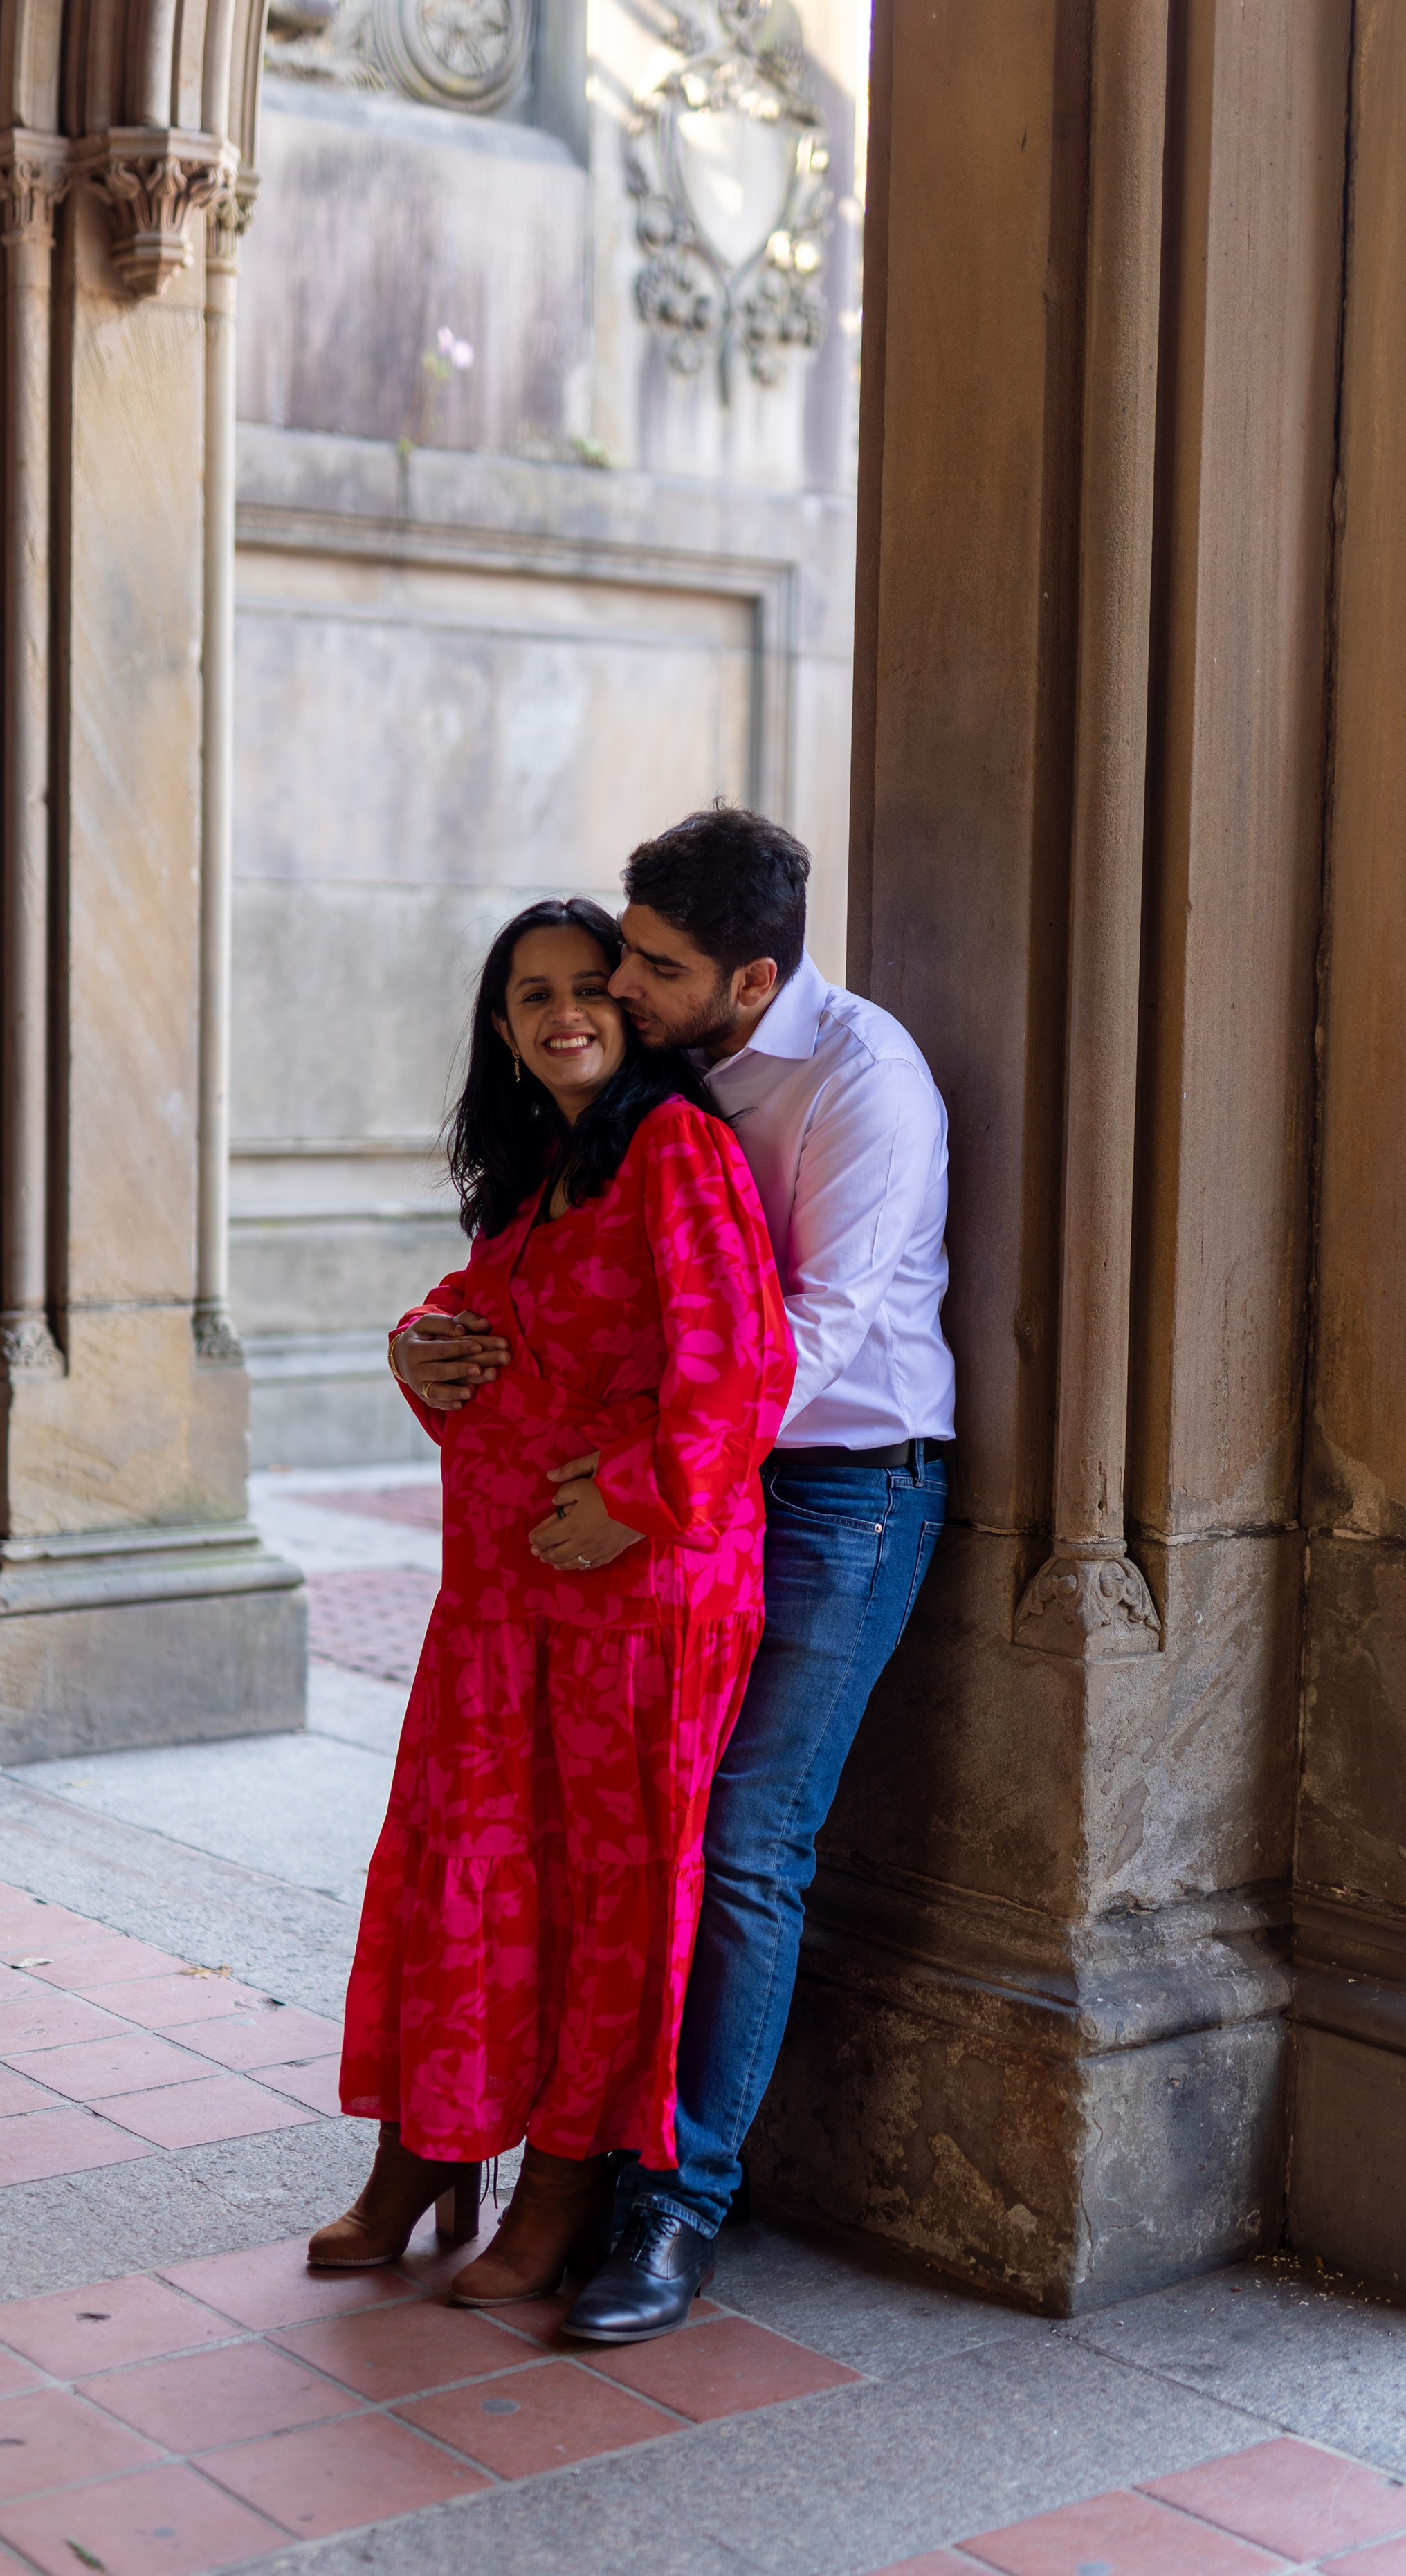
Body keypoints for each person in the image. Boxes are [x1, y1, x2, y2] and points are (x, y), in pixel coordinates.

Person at [410, 808, 955, 2342]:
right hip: (709, 1495)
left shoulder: (863, 1083)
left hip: (845, 1490)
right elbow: (555, 1278)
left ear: (753, 975)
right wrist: (428, 1347)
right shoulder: (657, 1082)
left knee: (740, 1847)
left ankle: (673, 2210)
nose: (620, 988)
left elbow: (824, 1322)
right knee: (623, 1832)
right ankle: (523, 2152)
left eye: (654, 966)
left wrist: (657, 1490)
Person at [308, 895, 794, 2305]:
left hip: (637, 1604)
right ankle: (426, 2143)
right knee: (460, 1866)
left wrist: (626, 1499)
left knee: (600, 1897)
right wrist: (414, 1339)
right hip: (502, 1602)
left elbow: (744, 1374)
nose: (564, 1012)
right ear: (502, 1028)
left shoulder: (674, 1153)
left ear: (633, 1010)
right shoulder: (544, 1173)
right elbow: (474, 1311)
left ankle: (564, 2180)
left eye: (591, 986)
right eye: (531, 996)